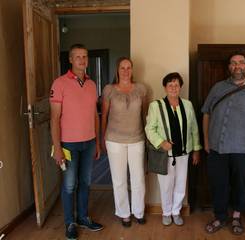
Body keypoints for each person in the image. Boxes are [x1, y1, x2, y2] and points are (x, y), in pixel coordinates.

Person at [201, 52, 245, 235]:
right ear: (229, 67)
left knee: (240, 185)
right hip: (217, 147)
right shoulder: (218, 87)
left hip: (244, 149)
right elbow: (206, 112)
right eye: (233, 63)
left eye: (240, 63)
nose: (237, 66)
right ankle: (220, 217)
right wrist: (206, 140)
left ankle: (237, 217)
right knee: (218, 184)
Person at [50, 44, 103, 240]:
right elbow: (54, 118)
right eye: (78, 57)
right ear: (71, 60)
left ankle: (82, 217)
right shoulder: (59, 83)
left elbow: (95, 116)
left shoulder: (91, 84)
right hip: (68, 145)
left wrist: (97, 142)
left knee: (86, 182)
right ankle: (69, 222)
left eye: (85, 56)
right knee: (70, 185)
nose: (82, 60)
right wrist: (57, 148)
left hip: (89, 143)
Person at [145, 72, 202, 226]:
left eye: (176, 84)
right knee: (166, 186)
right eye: (170, 85)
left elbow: (194, 129)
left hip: (184, 154)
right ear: (165, 87)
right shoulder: (156, 106)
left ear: (180, 87)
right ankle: (166, 212)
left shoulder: (187, 105)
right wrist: (161, 142)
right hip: (166, 155)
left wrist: (196, 149)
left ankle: (176, 212)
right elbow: (150, 129)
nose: (173, 87)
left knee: (181, 185)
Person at [101, 57, 147, 227]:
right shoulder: (109, 90)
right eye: (122, 68)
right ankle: (124, 213)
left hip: (137, 138)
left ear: (132, 70)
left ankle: (139, 212)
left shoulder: (141, 89)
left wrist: (148, 138)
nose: (126, 71)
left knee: (138, 179)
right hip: (114, 140)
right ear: (117, 70)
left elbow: (145, 115)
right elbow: (104, 116)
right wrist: (102, 138)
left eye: (129, 68)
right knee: (119, 179)